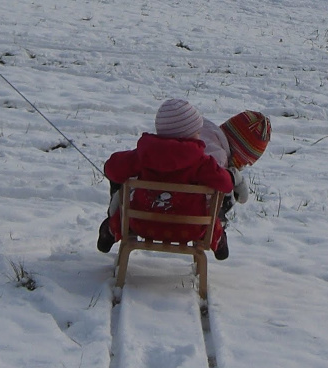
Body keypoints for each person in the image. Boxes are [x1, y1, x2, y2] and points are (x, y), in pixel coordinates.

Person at [97, 99, 235, 260]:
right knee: (211, 218)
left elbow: (112, 169)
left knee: (125, 208)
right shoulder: (202, 163)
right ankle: (218, 238)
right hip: (190, 229)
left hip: (142, 224)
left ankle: (111, 229)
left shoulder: (143, 155)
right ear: (190, 134)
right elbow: (226, 184)